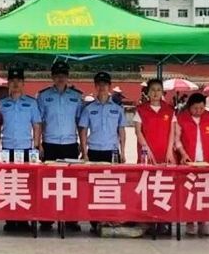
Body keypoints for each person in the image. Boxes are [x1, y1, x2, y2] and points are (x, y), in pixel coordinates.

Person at [79, 71, 131, 236]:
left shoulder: (117, 109)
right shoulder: (89, 109)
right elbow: (83, 131)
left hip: (112, 152)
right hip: (94, 151)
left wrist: (123, 152)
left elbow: (121, 131)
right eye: (99, 84)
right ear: (95, 86)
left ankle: (110, 218)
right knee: (93, 187)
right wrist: (84, 152)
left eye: (105, 84)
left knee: (111, 186)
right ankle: (95, 221)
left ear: (109, 87)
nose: (102, 87)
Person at [37, 61, 83, 231]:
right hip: (50, 144)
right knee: (48, 182)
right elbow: (39, 122)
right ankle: (47, 219)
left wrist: (82, 145)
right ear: (52, 77)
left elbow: (80, 123)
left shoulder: (76, 97)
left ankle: (71, 219)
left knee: (71, 183)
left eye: (63, 75)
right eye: (57, 75)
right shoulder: (43, 96)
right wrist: (39, 144)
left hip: (70, 145)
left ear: (68, 76)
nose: (60, 78)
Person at [174, 93, 209, 237]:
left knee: (205, 192)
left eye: (201, 108)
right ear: (189, 107)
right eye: (195, 108)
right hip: (188, 161)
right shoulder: (181, 118)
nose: (198, 111)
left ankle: (203, 222)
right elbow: (177, 139)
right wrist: (183, 153)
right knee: (189, 192)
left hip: (207, 160)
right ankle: (190, 222)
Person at [0, 66, 41, 232]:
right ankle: (10, 219)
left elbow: (36, 125)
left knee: (24, 184)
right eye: (12, 81)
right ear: (8, 83)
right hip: (7, 149)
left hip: (25, 149)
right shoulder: (2, 103)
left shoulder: (31, 103)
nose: (15, 84)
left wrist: (36, 146)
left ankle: (23, 219)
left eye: (18, 81)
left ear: (23, 83)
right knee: (8, 183)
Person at [133, 78, 176, 165]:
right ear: (148, 92)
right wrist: (146, 149)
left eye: (158, 90)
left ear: (162, 92)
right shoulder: (141, 109)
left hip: (165, 152)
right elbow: (138, 132)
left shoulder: (169, 110)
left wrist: (169, 151)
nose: (155, 92)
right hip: (146, 152)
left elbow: (172, 132)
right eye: (152, 90)